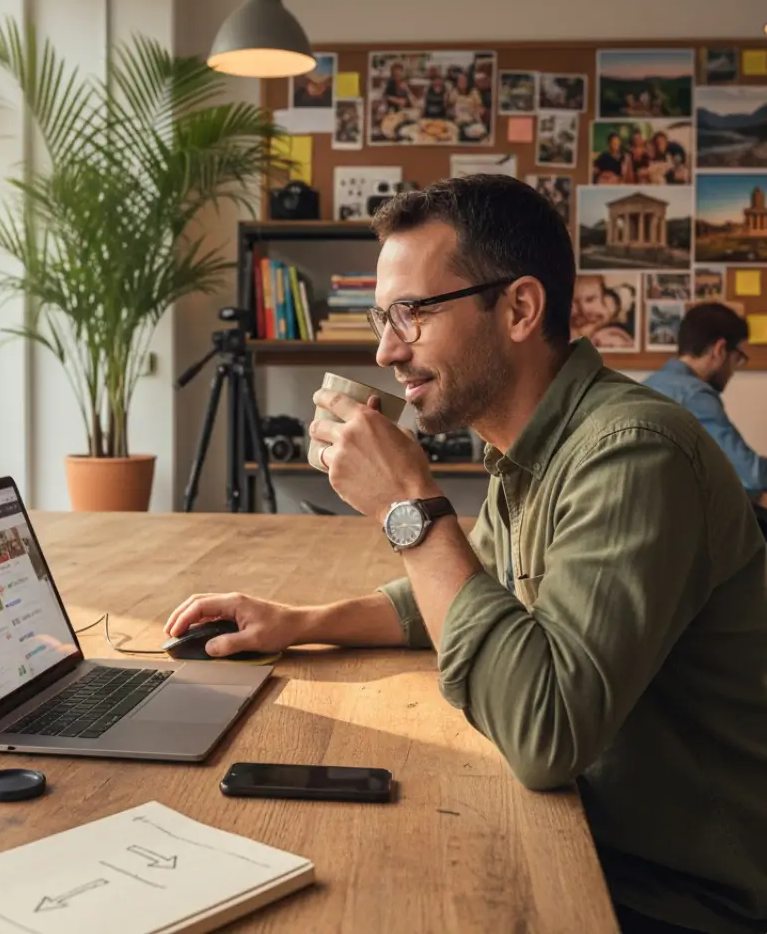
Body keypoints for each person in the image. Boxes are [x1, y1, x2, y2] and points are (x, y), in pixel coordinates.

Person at [165, 176, 767, 934]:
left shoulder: (632, 454)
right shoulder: (533, 446)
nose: (387, 349)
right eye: (383, 318)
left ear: (519, 309)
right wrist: (298, 622)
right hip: (589, 834)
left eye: (412, 313)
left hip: (670, 895)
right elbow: (464, 592)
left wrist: (408, 506)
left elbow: (545, 735)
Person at [644, 302, 766, 497]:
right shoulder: (694, 396)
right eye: (738, 358)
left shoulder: (649, 384)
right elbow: (751, 476)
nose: (734, 370)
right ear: (720, 350)